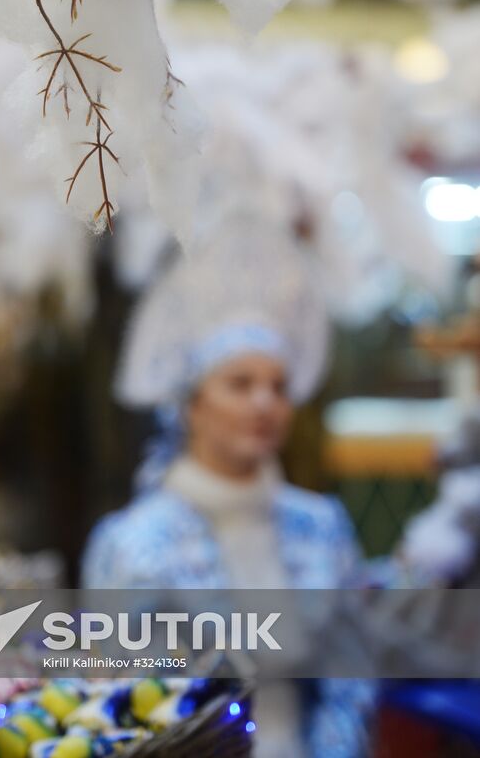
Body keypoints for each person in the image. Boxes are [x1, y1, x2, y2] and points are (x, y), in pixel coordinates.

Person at [82, 215, 375, 758]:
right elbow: (120, 707)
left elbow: (350, 681)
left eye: (278, 386)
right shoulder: (132, 545)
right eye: (239, 384)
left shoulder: (321, 526)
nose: (264, 403)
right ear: (191, 404)